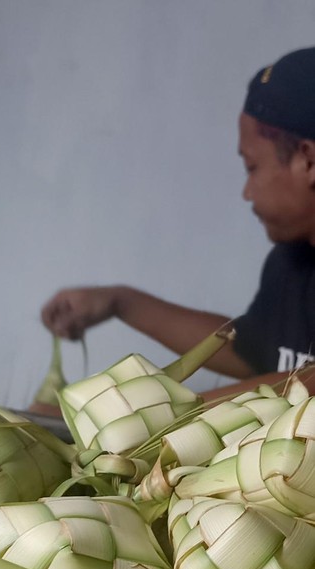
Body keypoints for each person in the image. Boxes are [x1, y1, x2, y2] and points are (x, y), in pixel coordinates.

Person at [39, 47, 315, 403]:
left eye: (252, 168)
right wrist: (120, 302)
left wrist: (171, 416)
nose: (247, 193)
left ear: (307, 161)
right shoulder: (292, 264)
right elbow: (252, 351)